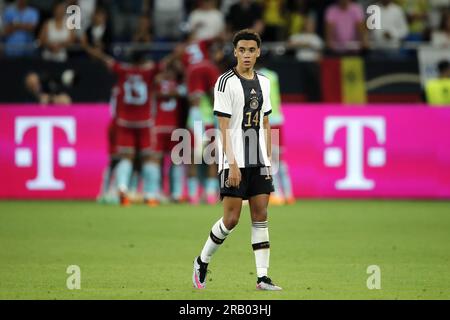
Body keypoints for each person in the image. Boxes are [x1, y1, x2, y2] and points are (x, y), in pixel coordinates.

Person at [192, 29, 281, 291]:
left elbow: (265, 122)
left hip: (258, 158)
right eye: (241, 50)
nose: (246, 55)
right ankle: (202, 260)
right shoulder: (224, 82)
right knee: (231, 219)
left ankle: (263, 277)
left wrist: (267, 159)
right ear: (235, 52)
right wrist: (231, 164)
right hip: (234, 159)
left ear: (258, 52)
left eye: (251, 50)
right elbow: (222, 126)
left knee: (261, 215)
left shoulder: (264, 82)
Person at [84, 45, 159, 206]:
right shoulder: (149, 72)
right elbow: (168, 61)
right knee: (149, 157)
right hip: (144, 121)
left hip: (125, 121)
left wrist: (87, 47)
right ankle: (151, 195)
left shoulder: (123, 70)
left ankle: (123, 192)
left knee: (126, 157)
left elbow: (104, 59)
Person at [146, 62, 187, 204]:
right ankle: (175, 193)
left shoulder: (155, 84)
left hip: (159, 126)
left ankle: (154, 193)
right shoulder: (180, 85)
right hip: (173, 127)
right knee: (174, 161)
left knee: (157, 159)